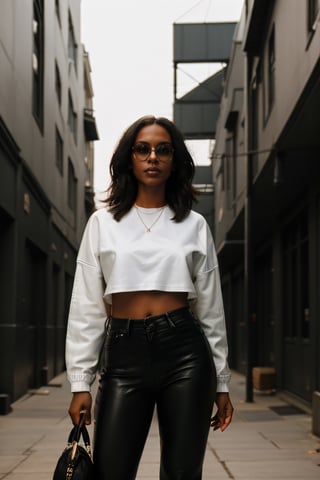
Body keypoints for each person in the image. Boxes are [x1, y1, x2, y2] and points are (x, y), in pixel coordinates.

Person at [66, 115, 234, 480]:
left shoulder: (193, 224)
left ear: (175, 162)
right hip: (124, 354)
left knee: (182, 473)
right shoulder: (102, 223)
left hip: (185, 354)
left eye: (163, 149)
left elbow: (210, 309)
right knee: (111, 471)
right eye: (143, 149)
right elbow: (87, 307)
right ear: (130, 158)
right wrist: (81, 382)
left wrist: (221, 383)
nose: (153, 157)